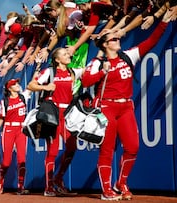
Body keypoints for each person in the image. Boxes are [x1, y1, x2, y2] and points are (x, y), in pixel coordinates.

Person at [80, 10, 174, 201]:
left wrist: (163, 22)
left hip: (125, 107)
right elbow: (85, 81)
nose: (117, 39)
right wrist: (102, 72)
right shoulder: (98, 62)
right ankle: (106, 189)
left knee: (132, 146)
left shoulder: (127, 56)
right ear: (106, 44)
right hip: (106, 108)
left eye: (116, 37)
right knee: (107, 150)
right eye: (113, 39)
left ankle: (121, 182)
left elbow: (151, 43)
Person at [27, 47, 84, 197]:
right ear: (57, 59)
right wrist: (45, 86)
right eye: (64, 54)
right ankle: (49, 186)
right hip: (52, 115)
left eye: (67, 53)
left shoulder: (72, 72)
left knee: (72, 147)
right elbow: (30, 85)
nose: (68, 55)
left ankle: (58, 179)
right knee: (52, 151)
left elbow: (88, 71)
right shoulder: (50, 72)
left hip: (67, 115)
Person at [0, 78, 31, 195]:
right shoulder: (5, 101)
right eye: (15, 84)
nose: (18, 85)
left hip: (21, 130)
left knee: (22, 159)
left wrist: (38, 67)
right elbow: (0, 118)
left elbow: (32, 83)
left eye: (18, 83)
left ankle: (20, 186)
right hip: (8, 129)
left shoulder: (23, 96)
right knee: (7, 161)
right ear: (10, 88)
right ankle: (0, 180)